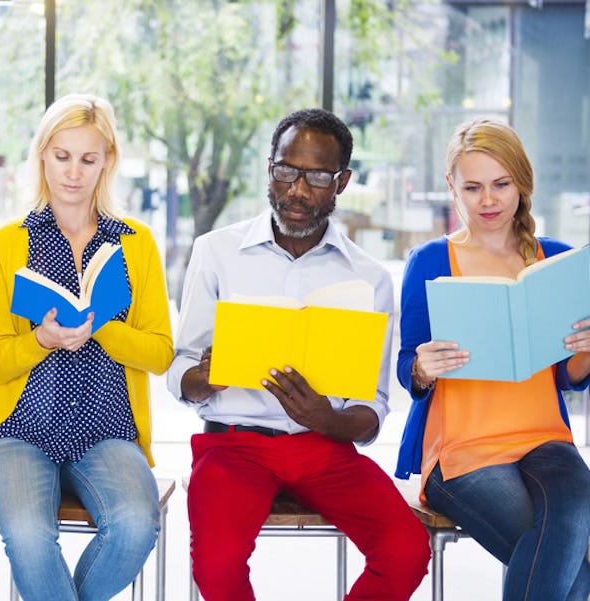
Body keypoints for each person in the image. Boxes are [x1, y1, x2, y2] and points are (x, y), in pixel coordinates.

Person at [168, 108, 431, 601]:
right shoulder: (216, 251)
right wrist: (204, 378)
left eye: (316, 177)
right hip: (233, 446)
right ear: (270, 168)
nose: (297, 190)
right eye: (286, 171)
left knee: (407, 548)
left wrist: (327, 420)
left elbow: (373, 407)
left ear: (342, 182)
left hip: (324, 449)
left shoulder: (369, 276)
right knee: (218, 566)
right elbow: (180, 368)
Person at [0, 93, 173, 601]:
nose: (74, 173)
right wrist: (41, 338)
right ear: (42, 155)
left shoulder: (136, 243)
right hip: (18, 427)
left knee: (134, 528)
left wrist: (100, 324)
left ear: (107, 162)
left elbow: (160, 353)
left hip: (108, 428)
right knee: (31, 538)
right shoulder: (7, 243)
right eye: (62, 157)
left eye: (88, 158)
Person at [396, 118, 590, 601]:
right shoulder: (429, 260)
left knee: (572, 506)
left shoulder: (556, 260)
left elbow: (568, 375)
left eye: (502, 184)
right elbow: (409, 369)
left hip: (546, 440)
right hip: (462, 452)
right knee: (573, 575)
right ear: (451, 188)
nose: (489, 200)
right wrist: (423, 366)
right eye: (474, 187)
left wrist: (586, 349)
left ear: (522, 184)